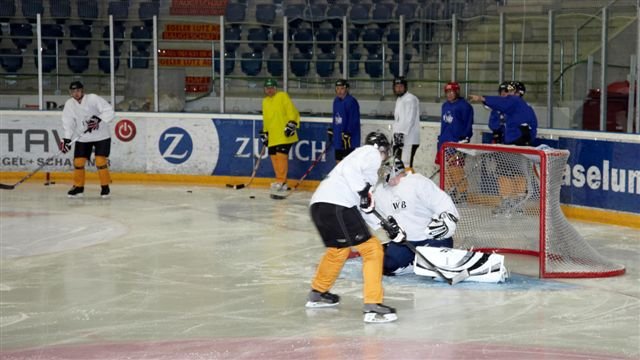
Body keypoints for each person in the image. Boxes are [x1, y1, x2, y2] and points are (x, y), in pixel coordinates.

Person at [306, 131, 398, 324]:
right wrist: (363, 192)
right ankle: (373, 303)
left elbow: (364, 207)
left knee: (338, 250)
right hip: (338, 206)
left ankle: (318, 292)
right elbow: (355, 182)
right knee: (372, 250)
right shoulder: (369, 153)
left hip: (319, 206)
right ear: (382, 149)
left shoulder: (359, 166)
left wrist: (385, 226)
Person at [368, 157, 459, 276]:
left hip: (430, 238)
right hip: (405, 241)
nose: (384, 177)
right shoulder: (381, 191)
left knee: (437, 265)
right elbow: (371, 213)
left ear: (396, 170)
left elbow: (443, 203)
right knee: (386, 265)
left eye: (385, 172)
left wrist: (447, 221)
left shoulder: (418, 182)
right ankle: (415, 263)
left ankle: (428, 261)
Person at [60, 81, 115, 198]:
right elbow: (68, 122)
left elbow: (109, 111)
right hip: (83, 137)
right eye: (73, 91)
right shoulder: (69, 104)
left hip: (102, 135)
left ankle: (105, 187)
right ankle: (78, 187)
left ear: (82, 90)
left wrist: (97, 119)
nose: (76, 93)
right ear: (70, 93)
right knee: (78, 162)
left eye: (78, 91)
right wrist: (66, 139)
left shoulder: (93, 99)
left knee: (100, 161)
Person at [260, 78, 301, 197]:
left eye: (272, 88)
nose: (270, 90)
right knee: (273, 156)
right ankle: (280, 180)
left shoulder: (282, 96)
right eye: (267, 88)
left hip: (285, 134)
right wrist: (265, 132)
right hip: (273, 135)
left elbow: (291, 110)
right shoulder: (265, 101)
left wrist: (292, 123)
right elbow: (266, 118)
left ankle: (282, 181)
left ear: (275, 88)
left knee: (281, 156)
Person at [468, 81, 537, 146]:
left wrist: (482, 98)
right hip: (522, 139)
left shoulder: (515, 101)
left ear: (518, 93)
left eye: (511, 91)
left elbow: (500, 103)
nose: (508, 93)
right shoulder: (523, 106)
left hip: (517, 139)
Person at [436, 81, 474, 166]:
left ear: (457, 92)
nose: (449, 94)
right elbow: (444, 125)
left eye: (451, 92)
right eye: (447, 92)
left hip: (457, 143)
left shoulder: (465, 106)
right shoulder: (445, 105)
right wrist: (440, 140)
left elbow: (468, 124)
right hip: (444, 143)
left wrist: (464, 139)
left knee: (456, 170)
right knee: (446, 172)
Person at [391, 76, 421, 170]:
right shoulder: (400, 99)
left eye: (401, 86)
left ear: (405, 87)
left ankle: (410, 184)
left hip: (409, 139)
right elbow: (398, 120)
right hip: (400, 138)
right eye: (397, 86)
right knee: (398, 166)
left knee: (406, 165)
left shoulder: (410, 99)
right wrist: (395, 135)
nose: (399, 89)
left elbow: (410, 119)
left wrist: (401, 134)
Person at [328, 79, 360, 163]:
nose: (339, 91)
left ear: (346, 89)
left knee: (348, 162)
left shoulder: (351, 101)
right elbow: (335, 117)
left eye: (341, 88)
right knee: (338, 161)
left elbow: (354, 119)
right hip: (338, 137)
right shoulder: (336, 101)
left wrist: (348, 133)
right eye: (337, 88)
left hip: (348, 139)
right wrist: (333, 129)